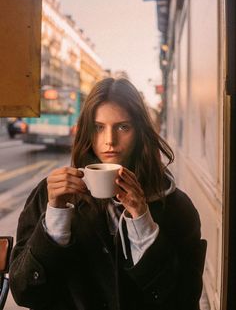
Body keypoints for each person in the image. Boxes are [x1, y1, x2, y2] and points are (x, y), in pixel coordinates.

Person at [9, 78, 205, 310]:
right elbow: (25, 293)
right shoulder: (50, 194)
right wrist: (56, 217)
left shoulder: (176, 205)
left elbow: (184, 300)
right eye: (98, 127)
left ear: (140, 132)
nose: (109, 141)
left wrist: (142, 219)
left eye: (123, 127)